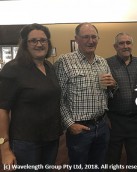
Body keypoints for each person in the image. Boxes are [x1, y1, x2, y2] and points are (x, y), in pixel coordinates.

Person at [54, 23, 117, 171]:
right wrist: (70, 124)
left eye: (94, 37)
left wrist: (113, 85)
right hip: (80, 128)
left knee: (98, 166)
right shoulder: (65, 61)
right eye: (86, 37)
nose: (91, 40)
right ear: (77, 39)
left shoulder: (102, 62)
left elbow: (108, 93)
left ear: (98, 38)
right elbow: (58, 98)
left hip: (101, 125)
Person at [0, 23, 62, 171]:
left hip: (51, 138)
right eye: (33, 40)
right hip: (26, 141)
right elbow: (2, 110)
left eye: (43, 40)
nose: (39, 44)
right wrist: (4, 147)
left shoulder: (49, 67)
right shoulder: (13, 68)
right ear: (25, 44)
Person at [106, 32, 137, 170]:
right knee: (112, 160)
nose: (125, 46)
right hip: (114, 120)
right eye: (121, 43)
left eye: (128, 43)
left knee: (135, 159)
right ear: (115, 46)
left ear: (132, 45)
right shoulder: (106, 64)